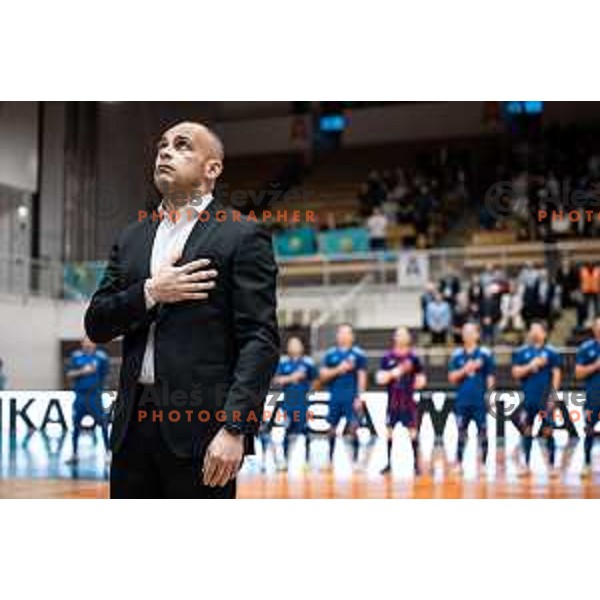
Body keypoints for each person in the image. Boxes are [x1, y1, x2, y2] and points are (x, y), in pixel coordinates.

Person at [85, 121, 280, 498]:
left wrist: (234, 428)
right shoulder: (131, 238)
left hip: (204, 434)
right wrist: (151, 291)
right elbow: (97, 324)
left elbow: (260, 339)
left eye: (182, 145)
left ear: (212, 169)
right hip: (132, 430)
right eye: (162, 145)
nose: (165, 151)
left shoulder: (242, 235)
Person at [511, 322, 563, 477]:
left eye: (537, 329)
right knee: (526, 430)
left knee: (548, 431)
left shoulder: (551, 353)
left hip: (545, 399)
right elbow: (515, 373)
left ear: (544, 333)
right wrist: (531, 365)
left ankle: (552, 466)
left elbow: (556, 376)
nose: (534, 332)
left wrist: (553, 397)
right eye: (531, 329)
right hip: (528, 398)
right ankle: (526, 465)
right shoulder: (522, 353)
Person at [376, 327, 426, 476]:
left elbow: (421, 380)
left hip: (408, 402)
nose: (402, 337)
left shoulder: (414, 358)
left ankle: (416, 465)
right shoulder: (387, 357)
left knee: (412, 433)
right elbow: (380, 378)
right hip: (393, 402)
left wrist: (417, 380)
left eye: (405, 335)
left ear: (409, 338)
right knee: (389, 432)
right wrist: (396, 372)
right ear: (394, 338)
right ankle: (389, 464)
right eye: (399, 335)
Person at [448, 323, 496, 475]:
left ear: (477, 334)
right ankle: (459, 463)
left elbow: (490, 378)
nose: (467, 334)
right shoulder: (457, 355)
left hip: (480, 401)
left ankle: (482, 464)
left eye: (470, 331)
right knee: (461, 432)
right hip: (462, 401)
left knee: (483, 431)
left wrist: (489, 395)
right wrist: (466, 369)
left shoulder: (485, 354)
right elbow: (452, 378)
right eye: (464, 332)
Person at [319, 324, 367, 469]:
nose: (344, 335)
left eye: (347, 333)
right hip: (335, 396)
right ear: (337, 335)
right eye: (341, 332)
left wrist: (360, 396)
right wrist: (339, 369)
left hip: (351, 396)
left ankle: (356, 460)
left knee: (353, 427)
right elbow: (322, 375)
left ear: (352, 336)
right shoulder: (330, 354)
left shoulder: (358, 354)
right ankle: (330, 459)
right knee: (331, 428)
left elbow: (362, 376)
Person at [272, 337, 317, 471]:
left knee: (305, 431)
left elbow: (316, 380)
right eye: (291, 344)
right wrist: (292, 378)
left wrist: (309, 389)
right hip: (287, 404)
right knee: (286, 430)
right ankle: (284, 460)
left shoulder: (308, 364)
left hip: (302, 404)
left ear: (302, 347)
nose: (294, 346)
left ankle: (307, 461)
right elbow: (276, 380)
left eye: (297, 344)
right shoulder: (283, 363)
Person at [65, 337, 110, 464]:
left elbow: (104, 374)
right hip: (80, 396)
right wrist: (83, 372)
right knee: (76, 425)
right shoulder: (76, 356)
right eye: (86, 341)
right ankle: (74, 454)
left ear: (95, 343)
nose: (88, 344)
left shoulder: (101, 357)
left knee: (103, 424)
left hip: (95, 397)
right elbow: (69, 374)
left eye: (91, 341)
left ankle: (108, 453)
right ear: (82, 343)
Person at [575, 318, 600, 479]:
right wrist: (596, 366)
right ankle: (586, 463)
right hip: (593, 397)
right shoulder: (586, 348)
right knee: (589, 428)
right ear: (594, 328)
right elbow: (578, 373)